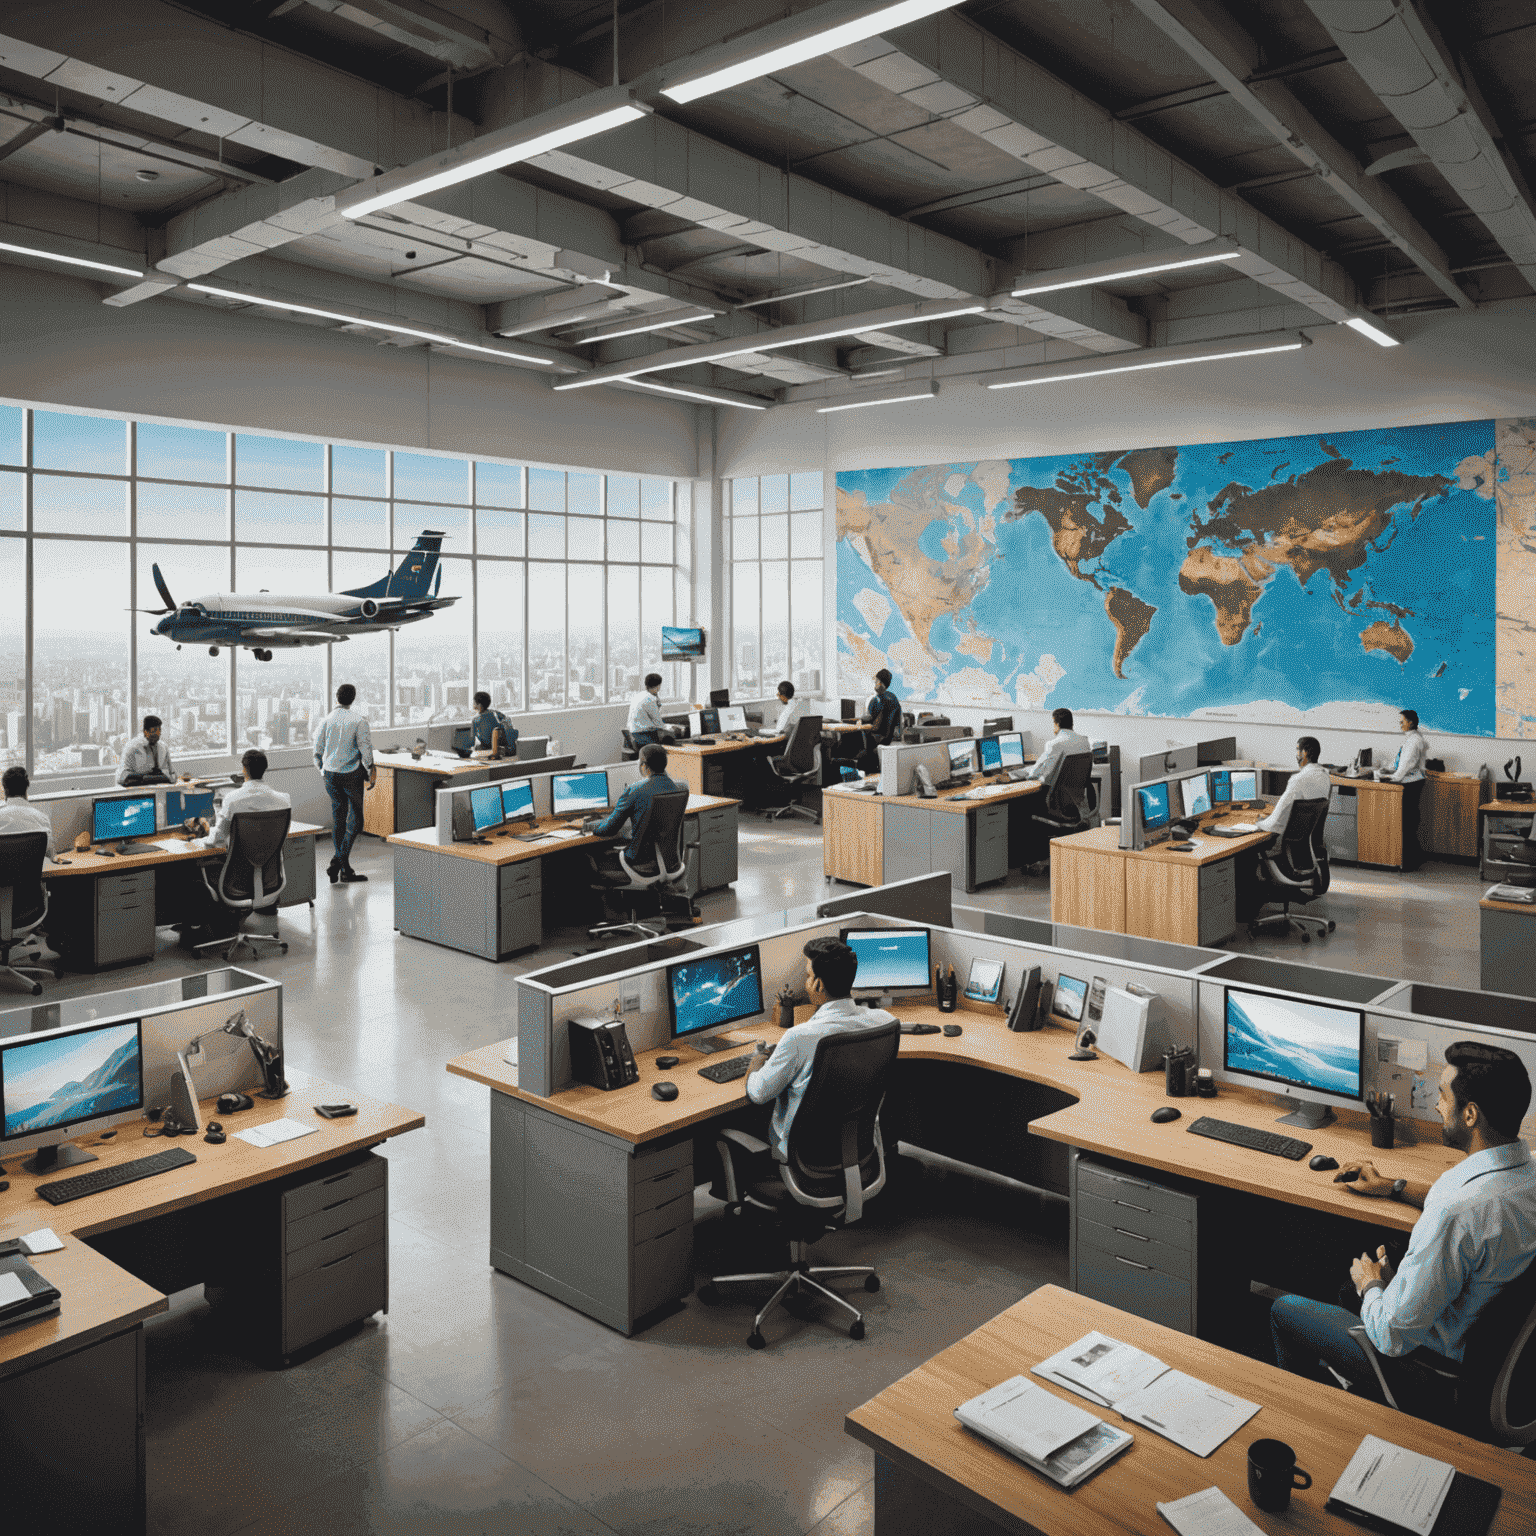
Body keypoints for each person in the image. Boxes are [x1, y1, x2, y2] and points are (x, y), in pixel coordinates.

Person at [1270, 1041, 1536, 1397]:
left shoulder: (1454, 1212)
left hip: (1431, 1367)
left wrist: (1372, 1285)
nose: (1438, 1105)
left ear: (1470, 1115)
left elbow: (1391, 1337)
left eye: (1443, 1096)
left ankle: (1324, 1421)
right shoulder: (1525, 1171)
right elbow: (1481, 1203)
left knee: (1286, 1309)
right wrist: (1393, 1187)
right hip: (1494, 1356)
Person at [743, 937, 896, 1160]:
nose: (805, 982)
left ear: (818, 984)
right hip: (856, 1148)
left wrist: (758, 1061)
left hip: (806, 1157)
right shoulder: (883, 1021)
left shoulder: (799, 1037)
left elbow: (758, 1094)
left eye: (807, 976)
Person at [178, 749, 292, 947]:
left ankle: (193, 933)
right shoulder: (283, 799)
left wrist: (204, 830)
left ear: (244, 770)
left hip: (235, 883)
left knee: (192, 872)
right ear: (264, 769)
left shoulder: (233, 799)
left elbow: (213, 841)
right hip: (269, 880)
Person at [1235, 736, 1332, 922]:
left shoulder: (1298, 779)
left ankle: (1246, 909)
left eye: (1297, 750)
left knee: (1245, 852)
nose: (1296, 754)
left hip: (1290, 853)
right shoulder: (1324, 776)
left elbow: (1274, 822)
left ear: (1304, 753)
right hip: (1307, 849)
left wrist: (1258, 822)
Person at [590, 742, 686, 876]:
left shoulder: (635, 790)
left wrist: (590, 826)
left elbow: (610, 829)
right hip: (669, 861)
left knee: (587, 858)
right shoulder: (680, 788)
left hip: (638, 862)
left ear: (644, 766)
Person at [313, 682, 375, 884]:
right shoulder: (359, 721)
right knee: (357, 821)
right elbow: (365, 750)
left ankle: (343, 868)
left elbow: (317, 751)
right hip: (351, 775)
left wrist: (323, 770)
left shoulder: (326, 720)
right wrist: (371, 769)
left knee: (339, 818)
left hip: (330, 775)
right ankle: (337, 863)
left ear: (337, 697)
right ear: (353, 698)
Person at [1379, 708, 1429, 870]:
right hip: (1411, 780)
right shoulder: (1411, 739)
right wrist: (1388, 769)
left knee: (1407, 822)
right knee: (1409, 821)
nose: (1400, 724)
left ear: (1411, 722)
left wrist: (1392, 778)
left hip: (1411, 783)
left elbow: (1407, 764)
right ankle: (1415, 857)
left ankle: (1410, 861)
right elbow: (1399, 762)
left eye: (1402, 721)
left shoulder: (1414, 741)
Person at [1025, 708, 1091, 788]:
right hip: (1077, 798)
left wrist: (1031, 774)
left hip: (1055, 798)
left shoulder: (1053, 744)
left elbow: (1038, 776)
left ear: (1057, 724)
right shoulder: (1085, 741)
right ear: (1071, 724)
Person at [117, 716, 188, 786]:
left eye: (159, 731)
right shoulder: (132, 747)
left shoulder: (163, 747)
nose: (156, 736)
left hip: (159, 789)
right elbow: (122, 776)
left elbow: (172, 774)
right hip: (137, 789)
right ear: (145, 731)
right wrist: (147, 777)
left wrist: (168, 778)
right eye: (153, 732)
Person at [0, 766, 55, 857]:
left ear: (5, 790)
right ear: (26, 788)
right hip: (32, 871)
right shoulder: (42, 819)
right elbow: (51, 854)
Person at [626, 673, 676, 748]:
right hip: (643, 737)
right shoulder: (650, 699)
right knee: (669, 740)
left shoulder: (638, 695)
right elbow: (658, 722)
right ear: (658, 686)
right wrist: (671, 727)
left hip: (632, 735)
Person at [469, 691, 516, 758]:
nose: (472, 704)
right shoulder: (496, 713)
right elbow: (507, 722)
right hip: (500, 744)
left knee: (477, 747)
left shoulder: (476, 719)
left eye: (474, 702)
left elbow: (472, 739)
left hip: (486, 746)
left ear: (479, 705)